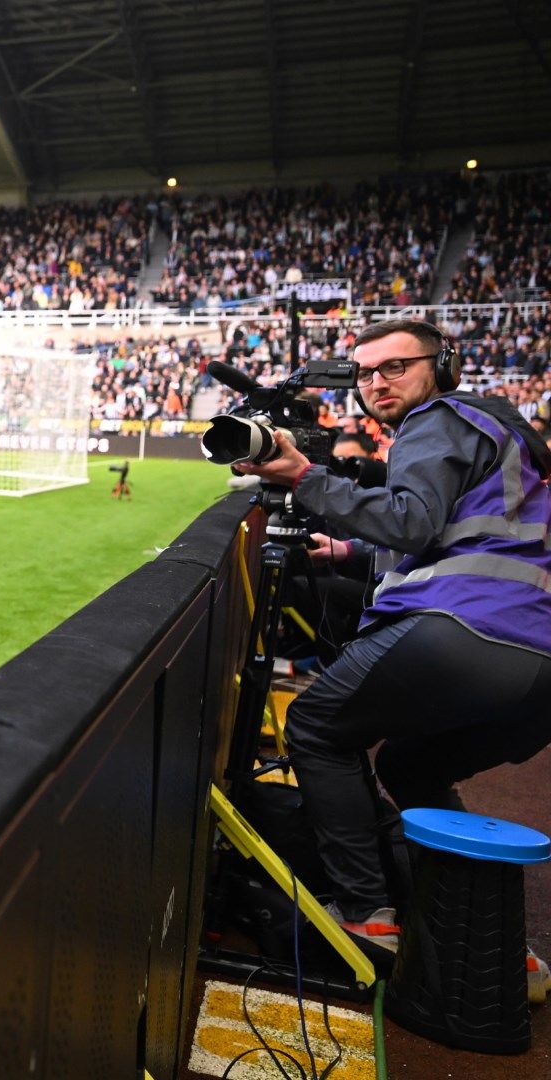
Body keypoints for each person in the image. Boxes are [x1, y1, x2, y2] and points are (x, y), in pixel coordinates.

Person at [236, 319, 551, 980]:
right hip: (538, 669)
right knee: (411, 769)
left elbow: (412, 519)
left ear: (443, 367)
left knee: (318, 725)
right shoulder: (503, 428)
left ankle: (367, 911)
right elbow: (455, 528)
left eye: (395, 367)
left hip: (467, 632)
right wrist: (347, 548)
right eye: (364, 372)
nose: (376, 382)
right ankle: (484, 937)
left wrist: (302, 475)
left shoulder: (435, 418)